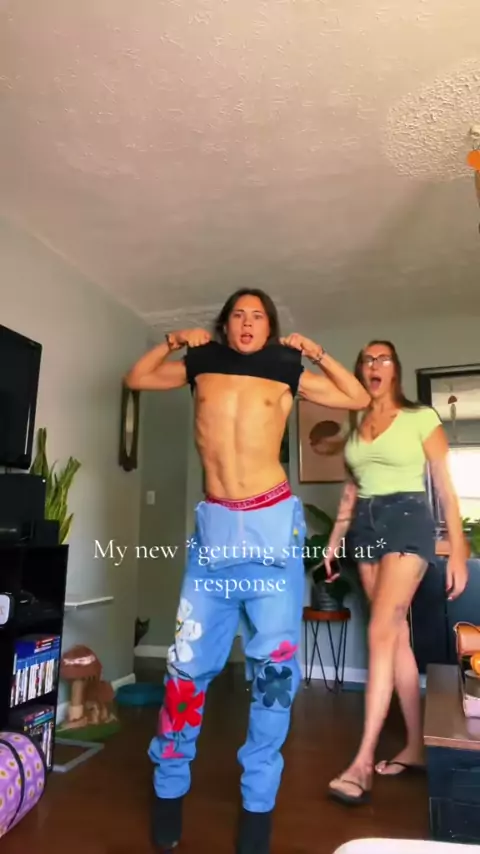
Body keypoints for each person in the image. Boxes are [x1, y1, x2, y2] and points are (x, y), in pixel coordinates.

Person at [124, 288, 370, 852]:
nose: (247, 322)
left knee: (274, 678)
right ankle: (168, 789)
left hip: (271, 531)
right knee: (185, 670)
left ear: (270, 327)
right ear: (225, 324)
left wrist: (317, 352)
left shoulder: (286, 366)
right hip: (214, 535)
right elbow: (136, 378)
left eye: (258, 316)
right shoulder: (201, 362)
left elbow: (355, 396)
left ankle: (258, 806)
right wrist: (171, 340)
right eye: (238, 314)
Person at [324, 339, 468, 806]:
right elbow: (351, 491)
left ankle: (362, 761)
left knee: (381, 629)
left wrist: (459, 548)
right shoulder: (356, 427)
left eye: (383, 358)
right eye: (367, 359)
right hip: (364, 526)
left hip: (407, 518)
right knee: (396, 637)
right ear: (360, 371)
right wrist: (333, 541)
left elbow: (444, 485)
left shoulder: (420, 417)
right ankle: (415, 747)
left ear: (395, 370)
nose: (374, 365)